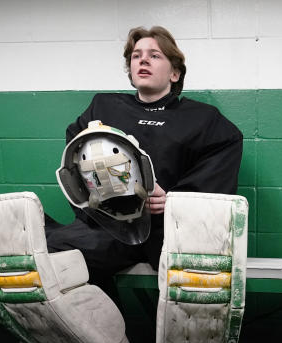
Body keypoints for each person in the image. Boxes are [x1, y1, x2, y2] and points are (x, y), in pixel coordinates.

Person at [46, 25, 244, 294]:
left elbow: (223, 158)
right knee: (49, 248)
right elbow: (75, 150)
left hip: (167, 234)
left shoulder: (203, 119)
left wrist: (174, 199)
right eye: (136, 55)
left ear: (174, 73)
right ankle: (107, 333)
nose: (143, 60)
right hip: (111, 230)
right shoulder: (104, 107)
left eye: (154, 55)